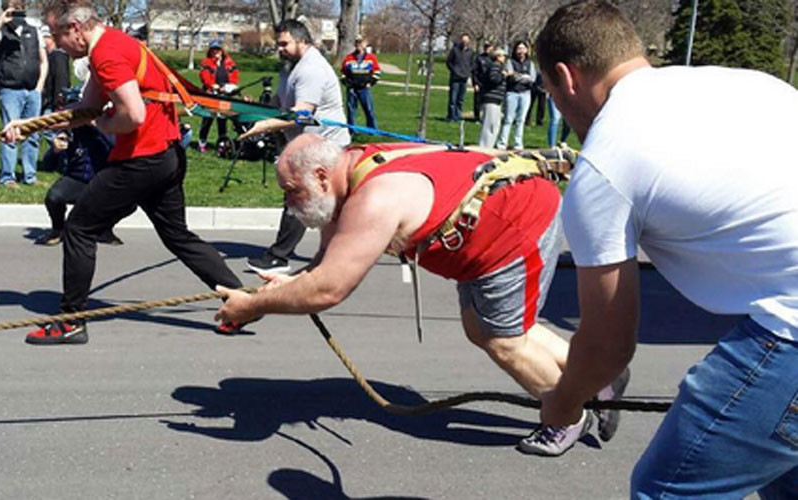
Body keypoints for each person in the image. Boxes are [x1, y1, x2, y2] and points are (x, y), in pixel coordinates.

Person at [216, 133, 630, 456]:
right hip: (490, 231)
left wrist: (252, 306)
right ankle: (601, 377)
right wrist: (288, 285)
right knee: (483, 329)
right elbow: (326, 263)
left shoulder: (374, 198)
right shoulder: (347, 173)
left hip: (516, 226)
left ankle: (568, 413)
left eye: (292, 191)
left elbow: (329, 288)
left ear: (322, 177)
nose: (289, 204)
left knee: (504, 340)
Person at [535, 1, 798, 497]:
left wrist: (564, 403)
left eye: (549, 91)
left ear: (566, 78)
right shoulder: (751, 84)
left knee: (667, 489)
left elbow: (609, 345)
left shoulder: (604, 166)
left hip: (791, 336)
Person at [4, 0, 244, 344]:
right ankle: (242, 301)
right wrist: (31, 125)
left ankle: (71, 321)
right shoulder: (115, 43)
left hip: (141, 160)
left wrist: (104, 122)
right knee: (178, 236)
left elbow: (132, 115)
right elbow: (85, 108)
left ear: (76, 28)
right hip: (168, 154)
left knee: (80, 229)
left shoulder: (107, 54)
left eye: (56, 34)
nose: (55, 44)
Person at [243, 19, 350, 275]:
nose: (280, 48)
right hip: (307, 145)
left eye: (284, 43)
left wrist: (267, 125)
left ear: (302, 40)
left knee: (299, 195)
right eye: (278, 43)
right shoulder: (291, 68)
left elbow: (301, 114)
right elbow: (281, 105)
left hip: (325, 145)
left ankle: (280, 256)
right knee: (327, 203)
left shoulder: (311, 69)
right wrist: (249, 109)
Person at [0, 0, 48, 189]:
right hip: (11, 89)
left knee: (32, 135)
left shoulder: (34, 31)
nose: (17, 11)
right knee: (10, 135)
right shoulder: (2, 32)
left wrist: (39, 87)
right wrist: (1, 22)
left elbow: (43, 61)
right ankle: (7, 177)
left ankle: (30, 176)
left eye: (20, 7)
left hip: (33, 90)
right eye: (13, 7)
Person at [38, 125, 124, 247]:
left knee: (129, 202)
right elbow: (48, 165)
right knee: (54, 197)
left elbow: (115, 145)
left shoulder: (111, 126)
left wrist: (97, 126)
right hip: (77, 179)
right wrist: (55, 150)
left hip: (104, 180)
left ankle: (105, 228)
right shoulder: (72, 132)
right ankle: (58, 229)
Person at [197, 39, 238, 153]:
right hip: (211, 94)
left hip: (224, 95)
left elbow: (234, 76)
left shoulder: (229, 63)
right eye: (213, 50)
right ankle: (202, 142)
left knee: (222, 120)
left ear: (222, 50)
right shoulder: (206, 63)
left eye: (218, 49)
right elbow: (205, 78)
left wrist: (231, 87)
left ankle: (222, 143)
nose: (216, 52)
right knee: (207, 119)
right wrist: (213, 86)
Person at [496, 41, 536, 150]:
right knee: (508, 119)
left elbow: (532, 78)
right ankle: (502, 143)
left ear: (527, 50)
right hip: (512, 93)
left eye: (523, 48)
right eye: (519, 49)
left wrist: (520, 76)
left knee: (521, 120)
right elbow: (512, 76)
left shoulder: (530, 63)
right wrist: (523, 77)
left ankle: (518, 143)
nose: (521, 51)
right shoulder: (510, 61)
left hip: (525, 94)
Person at [340, 36, 381, 130]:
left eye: (360, 42)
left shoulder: (371, 58)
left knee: (369, 109)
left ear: (365, 44)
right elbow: (343, 73)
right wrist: (347, 83)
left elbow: (377, 73)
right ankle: (351, 130)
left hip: (364, 88)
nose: (358, 44)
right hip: (352, 89)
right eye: (356, 42)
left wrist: (370, 82)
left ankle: (372, 129)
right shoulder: (349, 58)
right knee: (351, 110)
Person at [40, 30, 70, 146]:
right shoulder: (53, 56)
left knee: (50, 130)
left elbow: (61, 79)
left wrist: (59, 100)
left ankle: (60, 153)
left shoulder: (57, 56)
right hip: (50, 99)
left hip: (54, 100)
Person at [477, 47, 508, 149]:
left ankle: (489, 145)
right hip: (491, 99)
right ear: (498, 57)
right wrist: (503, 75)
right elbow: (493, 79)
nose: (505, 58)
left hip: (496, 100)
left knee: (494, 125)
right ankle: (485, 146)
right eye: (503, 56)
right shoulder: (495, 66)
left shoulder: (498, 67)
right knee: (489, 125)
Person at [445, 34, 473, 122]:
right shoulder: (455, 50)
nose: (465, 43)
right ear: (460, 41)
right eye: (463, 41)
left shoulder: (470, 52)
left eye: (466, 41)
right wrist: (454, 71)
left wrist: (468, 72)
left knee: (461, 99)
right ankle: (451, 116)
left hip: (464, 78)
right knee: (453, 98)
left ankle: (458, 115)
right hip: (455, 77)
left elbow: (472, 64)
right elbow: (449, 62)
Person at [471, 41, 492, 122]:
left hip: (489, 83)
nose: (488, 49)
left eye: (489, 47)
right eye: (486, 47)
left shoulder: (493, 59)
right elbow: (474, 71)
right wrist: (475, 83)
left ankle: (485, 117)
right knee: (477, 101)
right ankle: (476, 117)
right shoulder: (479, 58)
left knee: (487, 101)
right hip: (480, 83)